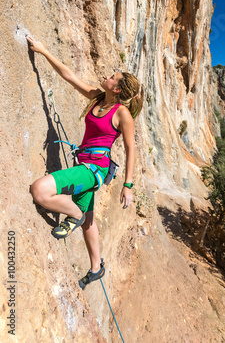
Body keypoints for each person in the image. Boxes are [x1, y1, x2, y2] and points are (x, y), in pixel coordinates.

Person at [27, 36, 142, 289]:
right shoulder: (98, 98)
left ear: (118, 89)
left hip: (94, 169)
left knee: (40, 190)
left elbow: (132, 148)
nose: (107, 77)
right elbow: (69, 76)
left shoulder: (121, 113)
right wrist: (44, 51)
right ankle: (96, 267)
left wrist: (128, 185)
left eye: (112, 77)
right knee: (89, 221)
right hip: (85, 165)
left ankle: (74, 214)